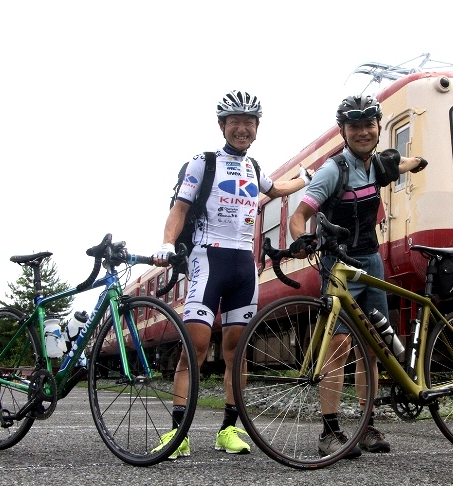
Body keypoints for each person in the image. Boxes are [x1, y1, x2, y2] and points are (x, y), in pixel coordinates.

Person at [152, 90, 312, 459]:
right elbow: (179, 209)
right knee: (193, 348)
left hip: (244, 265)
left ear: (256, 128)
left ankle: (229, 430)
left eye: (249, 122)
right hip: (208, 259)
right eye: (235, 122)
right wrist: (165, 242)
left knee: (236, 352)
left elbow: (276, 188)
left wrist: (303, 180)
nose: (242, 128)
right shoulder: (203, 163)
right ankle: (177, 434)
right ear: (222, 126)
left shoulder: (254, 168)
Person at [288, 94, 427, 458]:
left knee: (374, 348)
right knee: (338, 347)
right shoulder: (334, 170)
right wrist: (301, 238)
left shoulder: (377, 165)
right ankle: (329, 432)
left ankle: (367, 427)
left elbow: (403, 164)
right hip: (339, 267)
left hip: (371, 262)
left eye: (369, 124)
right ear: (344, 131)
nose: (363, 132)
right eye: (355, 126)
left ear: (379, 127)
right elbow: (299, 216)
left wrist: (420, 162)